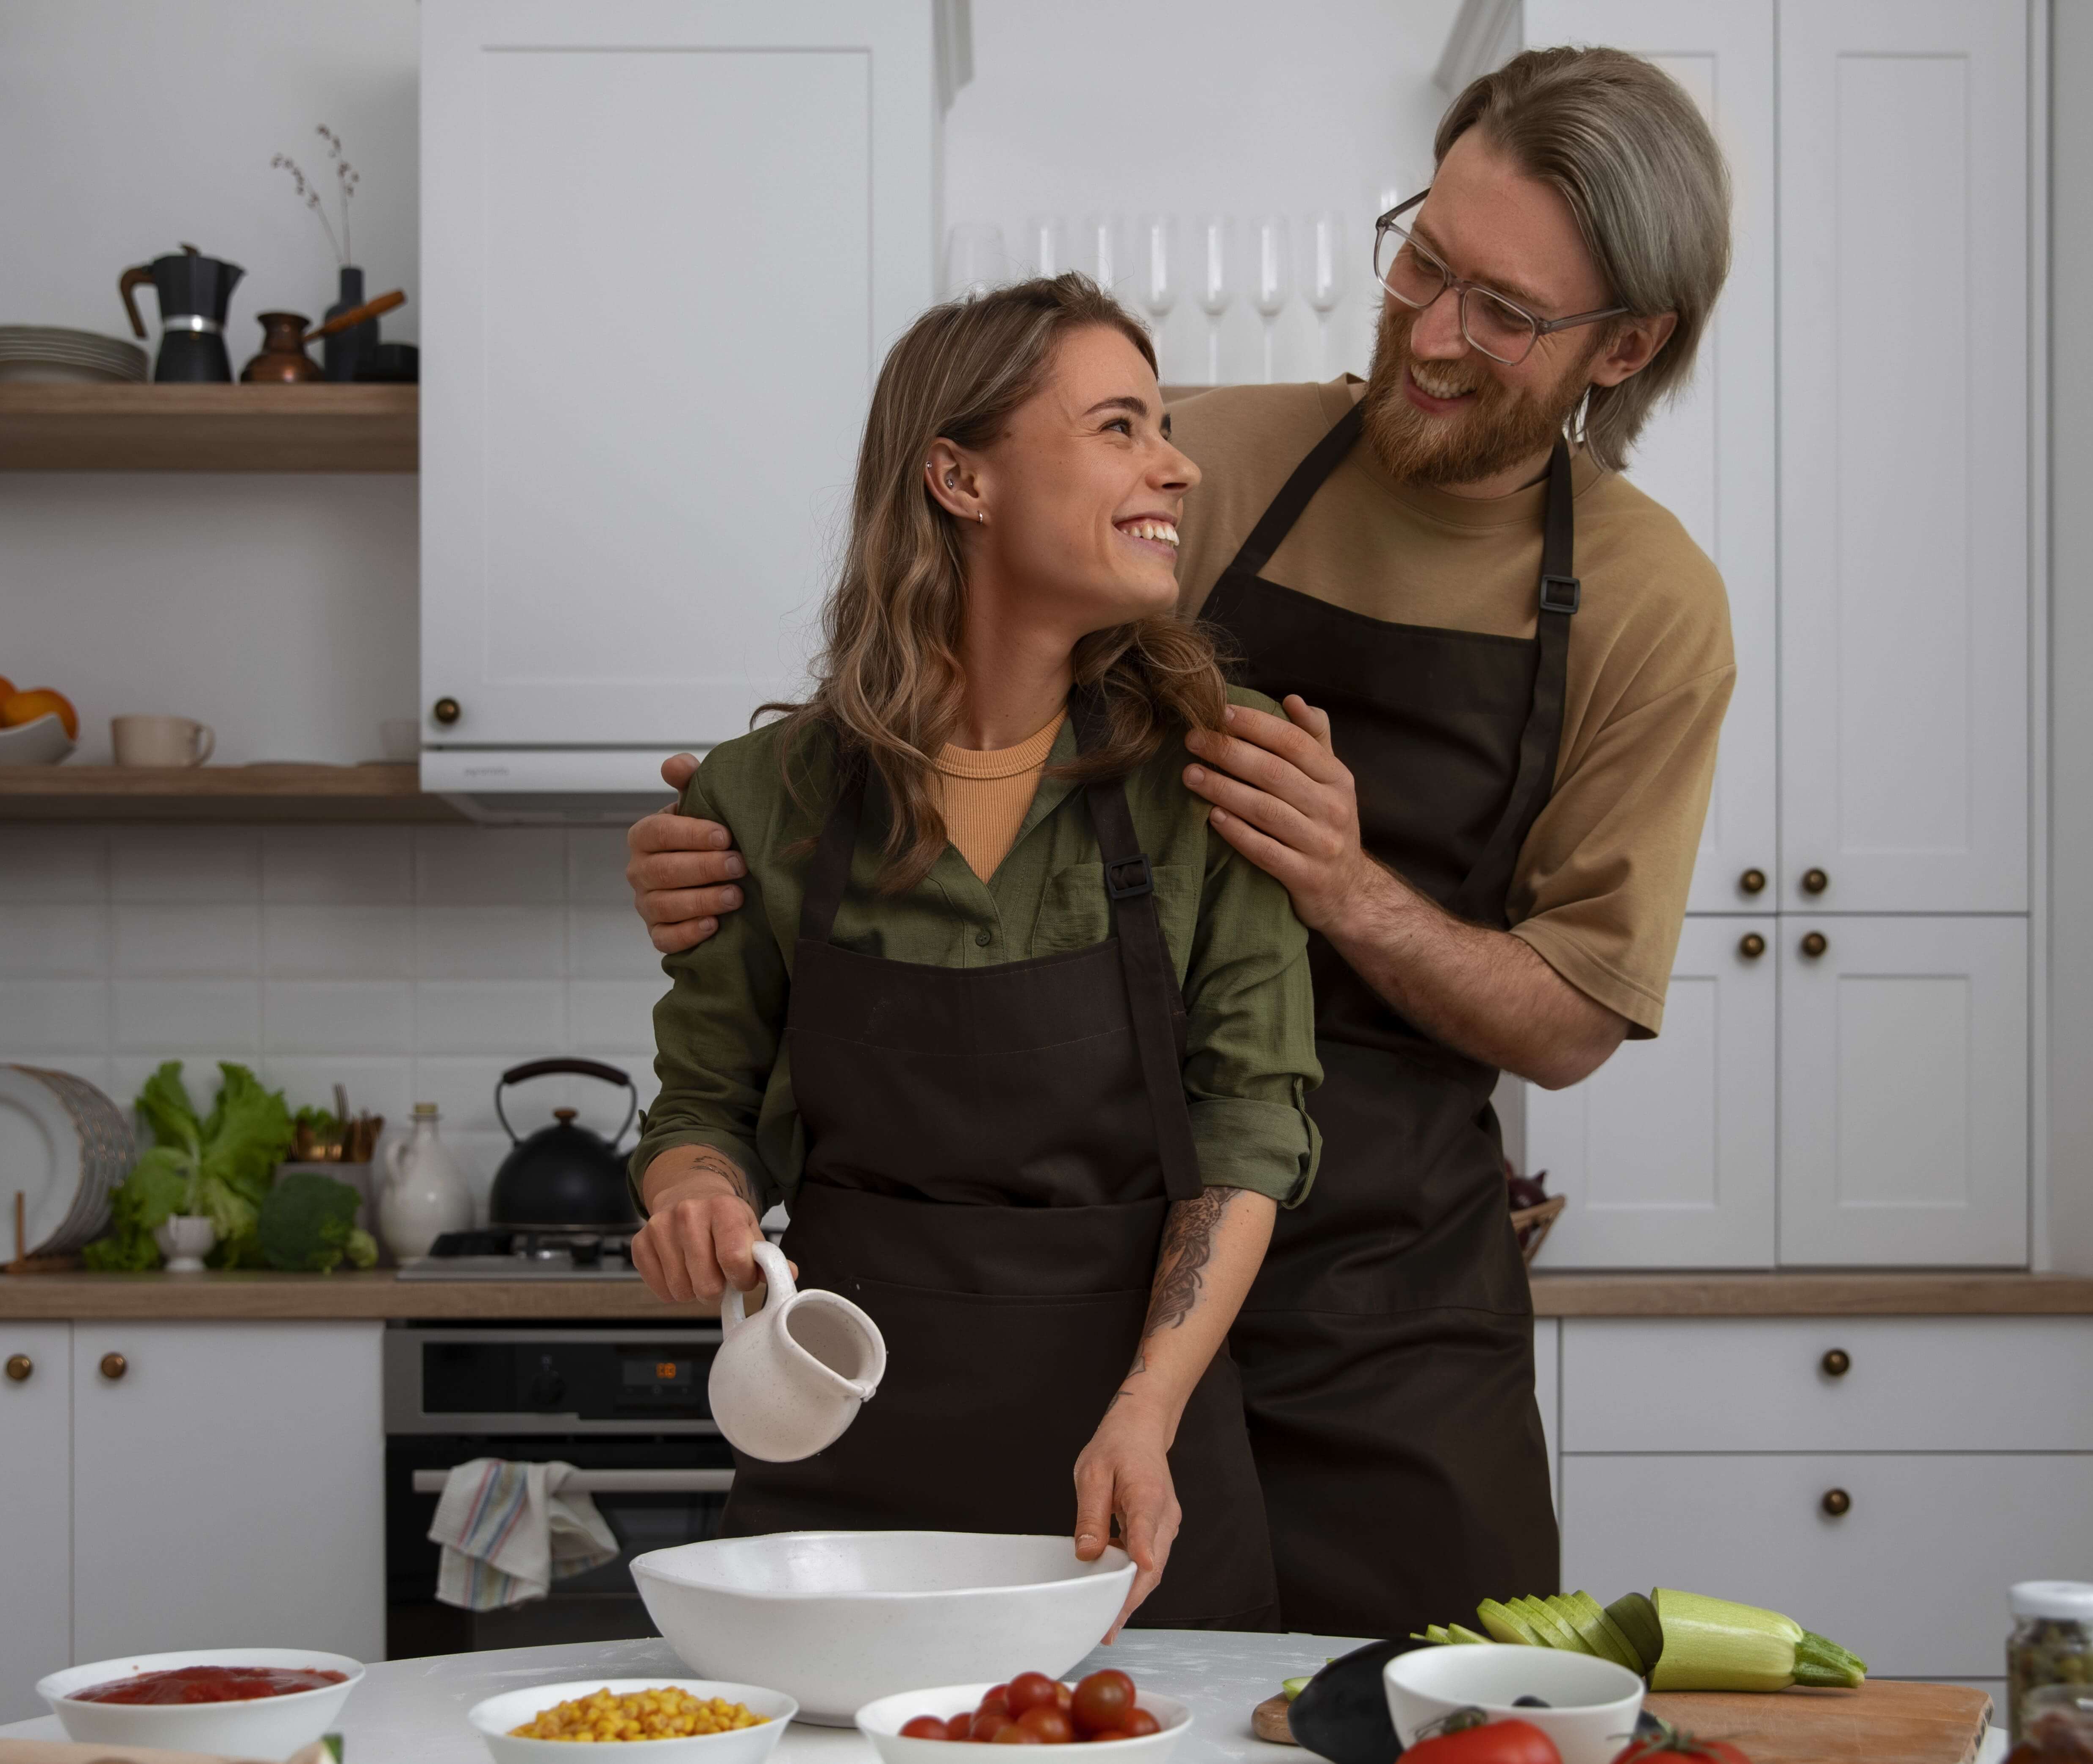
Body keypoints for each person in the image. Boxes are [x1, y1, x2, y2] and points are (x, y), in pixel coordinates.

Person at [627, 47, 1734, 1635]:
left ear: (1625, 345)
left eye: (1503, 311)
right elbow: (950, 674)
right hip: (1101, 1294)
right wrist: (733, 839)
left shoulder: (1648, 606)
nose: (1426, 333)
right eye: (1423, 259)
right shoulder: (1215, 467)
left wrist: (1348, 889)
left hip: (1390, 1306)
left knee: (1432, 1705)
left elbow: (1570, 1019)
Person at [625, 273, 1321, 1636]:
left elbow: (1251, 1129)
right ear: (959, 476)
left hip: (1129, 1476)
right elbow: (701, 1110)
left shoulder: (1219, 767)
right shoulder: (763, 797)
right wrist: (690, 1196)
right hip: (843, 1491)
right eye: (1120, 425)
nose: (1174, 464)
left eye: (1161, 426)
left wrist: (1146, 1410)